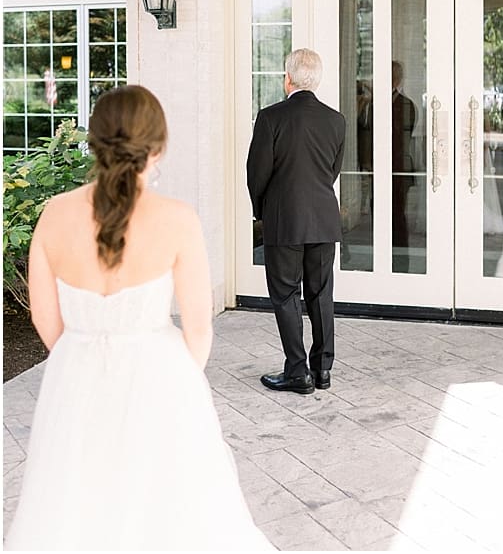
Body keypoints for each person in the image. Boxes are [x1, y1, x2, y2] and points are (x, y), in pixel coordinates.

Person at [6, 85, 272, 549]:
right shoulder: (177, 218)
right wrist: (178, 381)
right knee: (171, 510)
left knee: (76, 504)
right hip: (159, 375)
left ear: (94, 141)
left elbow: (45, 318)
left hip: (75, 375)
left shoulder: (54, 214)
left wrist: (83, 355)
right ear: (159, 145)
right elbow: (198, 326)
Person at [247, 48, 345, 395]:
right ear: (316, 80)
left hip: (284, 221)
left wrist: (262, 211)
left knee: (286, 294)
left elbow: (256, 175)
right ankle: (323, 371)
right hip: (322, 219)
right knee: (321, 295)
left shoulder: (270, 117)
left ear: (287, 78)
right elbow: (332, 172)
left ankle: (297, 371)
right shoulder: (336, 120)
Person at [390, 60, 418, 253]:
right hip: (380, 168)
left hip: (400, 168)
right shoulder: (373, 104)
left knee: (398, 215)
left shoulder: (407, 105)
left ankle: (400, 262)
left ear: (396, 79)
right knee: (380, 213)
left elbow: (401, 137)